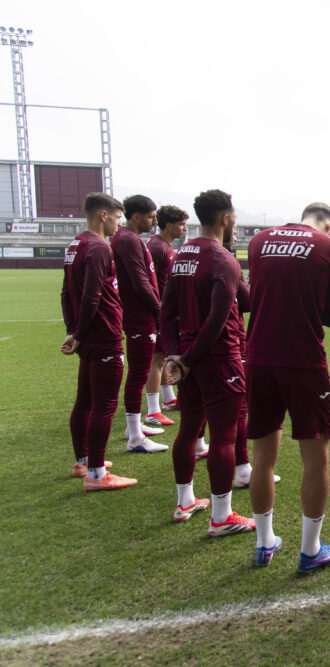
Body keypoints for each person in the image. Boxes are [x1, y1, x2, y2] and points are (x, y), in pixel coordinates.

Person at [245, 202, 330, 570]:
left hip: (257, 357)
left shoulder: (259, 241)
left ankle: (264, 543)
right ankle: (310, 550)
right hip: (303, 360)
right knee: (315, 458)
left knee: (262, 457)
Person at [161, 189, 254, 537]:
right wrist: (185, 357)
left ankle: (185, 501)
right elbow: (217, 320)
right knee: (224, 438)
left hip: (188, 358)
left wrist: (176, 354)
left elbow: (166, 311)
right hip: (218, 359)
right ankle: (221, 516)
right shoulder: (222, 258)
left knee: (189, 429)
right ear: (225, 219)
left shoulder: (181, 255)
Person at [60, 192, 136, 490]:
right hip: (102, 334)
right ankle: (95, 474)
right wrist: (78, 333)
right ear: (103, 215)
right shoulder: (99, 247)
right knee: (104, 404)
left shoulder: (74, 245)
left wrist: (73, 331)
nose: (119, 224)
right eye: (117, 217)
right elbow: (92, 295)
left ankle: (83, 461)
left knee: (85, 400)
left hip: (86, 334)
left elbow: (66, 293)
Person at [110, 194, 168, 452]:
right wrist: (159, 311)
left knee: (139, 372)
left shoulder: (129, 239)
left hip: (139, 315)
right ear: (136, 217)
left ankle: (134, 427)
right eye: (151, 216)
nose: (154, 221)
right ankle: (135, 436)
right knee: (138, 374)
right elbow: (139, 281)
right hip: (139, 317)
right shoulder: (127, 240)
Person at [145, 204, 188, 425]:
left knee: (161, 356)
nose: (185, 229)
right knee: (157, 359)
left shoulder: (164, 246)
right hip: (158, 311)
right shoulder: (157, 248)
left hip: (164, 310)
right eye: (181, 224)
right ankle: (152, 410)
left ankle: (168, 399)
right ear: (169, 225)